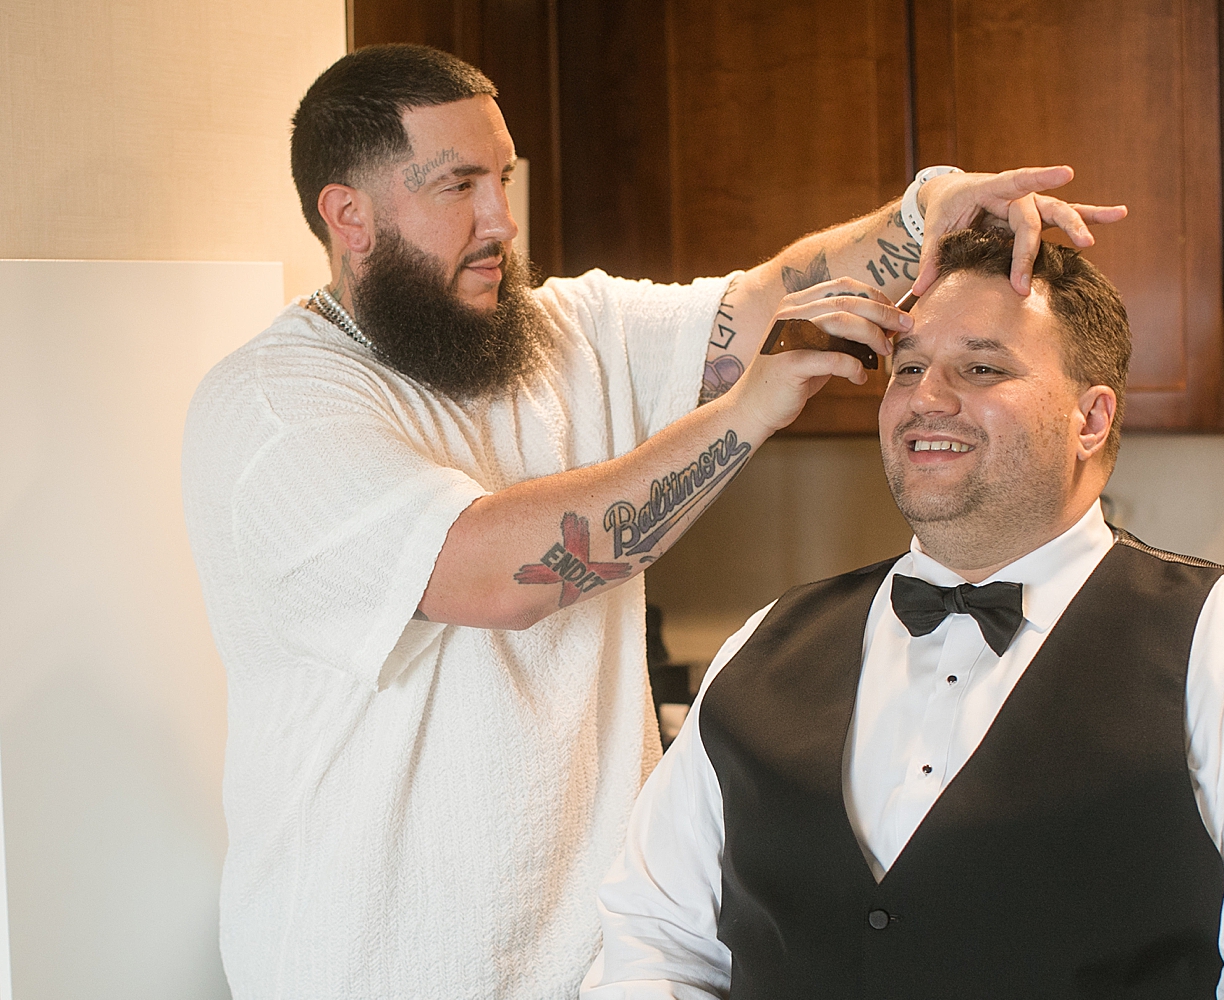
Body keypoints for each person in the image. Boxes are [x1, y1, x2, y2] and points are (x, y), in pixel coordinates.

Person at [180, 43, 1125, 1000]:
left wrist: (926, 213)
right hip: (371, 974)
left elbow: (776, 294)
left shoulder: (563, 333)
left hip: (602, 974)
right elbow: (492, 576)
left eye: (501, 178)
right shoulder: (276, 409)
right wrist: (744, 414)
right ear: (349, 215)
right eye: (457, 185)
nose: (500, 220)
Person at [583, 230, 1224, 1000]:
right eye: (907, 370)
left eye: (981, 369)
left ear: (1091, 418)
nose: (927, 399)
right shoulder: (762, 650)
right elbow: (653, 941)